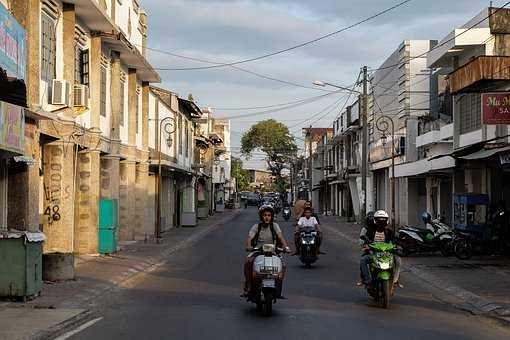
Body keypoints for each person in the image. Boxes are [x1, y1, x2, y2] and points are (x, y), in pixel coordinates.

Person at [243, 205, 290, 296]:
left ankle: (278, 285)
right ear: (261, 216)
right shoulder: (256, 227)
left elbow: (280, 237)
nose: (267, 217)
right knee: (247, 262)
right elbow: (250, 238)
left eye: (269, 215)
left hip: (273, 251)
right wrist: (249, 246)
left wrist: (286, 247)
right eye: (265, 215)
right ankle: (249, 284)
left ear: (272, 216)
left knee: (283, 265)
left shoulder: (275, 226)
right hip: (258, 250)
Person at [358, 210, 401, 287]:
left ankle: (395, 280)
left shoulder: (389, 232)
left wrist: (397, 246)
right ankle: (367, 280)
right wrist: (366, 246)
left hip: (387, 254)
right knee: (363, 260)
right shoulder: (370, 231)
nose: (381, 222)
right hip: (374, 254)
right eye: (379, 220)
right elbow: (365, 240)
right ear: (375, 220)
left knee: (398, 260)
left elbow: (395, 241)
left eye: (383, 220)